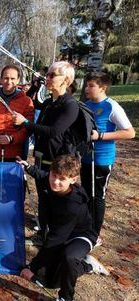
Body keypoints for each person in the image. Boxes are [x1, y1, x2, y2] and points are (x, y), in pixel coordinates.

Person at [18, 155, 109, 301]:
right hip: (62, 233)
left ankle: (68, 294)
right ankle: (83, 265)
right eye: (54, 175)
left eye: (62, 179)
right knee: (52, 281)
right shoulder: (50, 180)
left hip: (81, 235)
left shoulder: (72, 206)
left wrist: (32, 268)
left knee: (69, 257)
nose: (55, 181)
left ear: (73, 179)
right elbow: (42, 175)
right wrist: (28, 167)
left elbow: (54, 240)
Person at [13, 61, 79, 238]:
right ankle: (43, 231)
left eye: (51, 75)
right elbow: (38, 120)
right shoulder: (50, 101)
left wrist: (26, 123)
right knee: (43, 196)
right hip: (41, 156)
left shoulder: (70, 105)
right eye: (47, 75)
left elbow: (53, 131)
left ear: (66, 80)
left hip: (57, 159)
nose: (47, 78)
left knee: (54, 198)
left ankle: (55, 236)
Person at [81, 71, 135, 242]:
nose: (87, 88)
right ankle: (85, 229)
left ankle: (95, 235)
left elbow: (130, 133)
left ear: (103, 88)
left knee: (97, 196)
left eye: (91, 85)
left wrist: (101, 136)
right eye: (86, 85)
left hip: (102, 160)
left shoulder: (112, 106)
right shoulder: (86, 104)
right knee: (86, 194)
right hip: (85, 158)